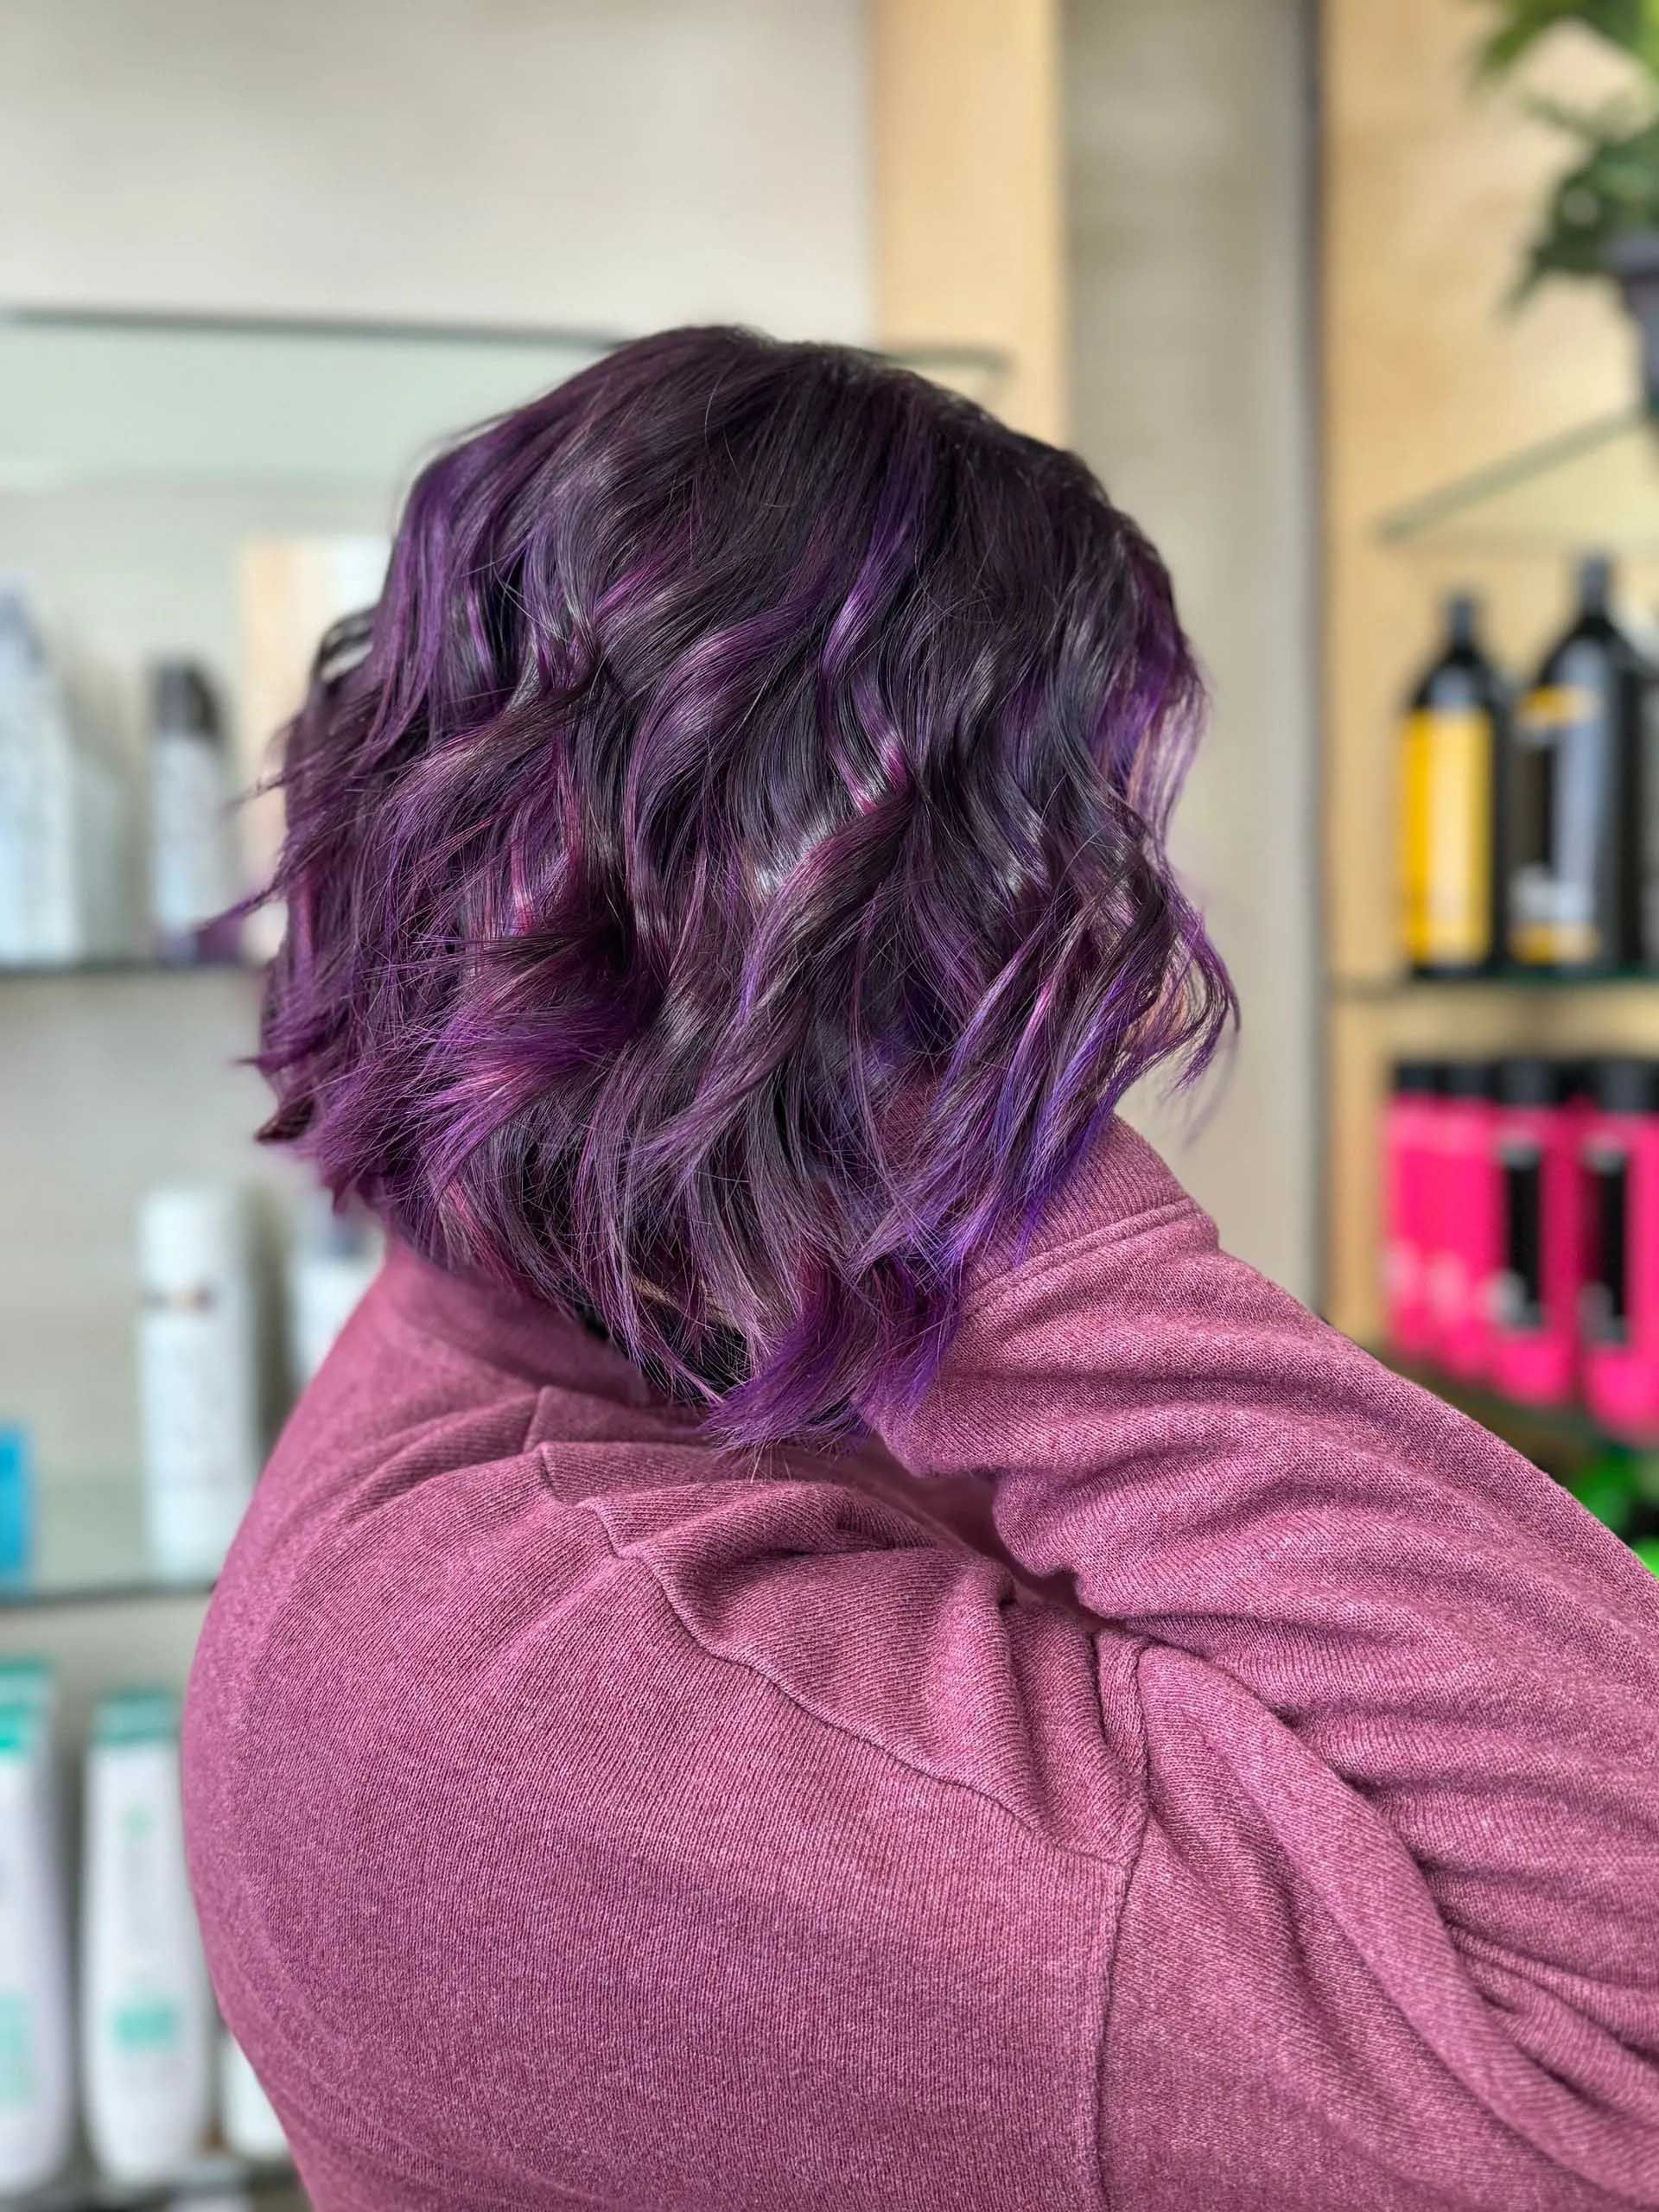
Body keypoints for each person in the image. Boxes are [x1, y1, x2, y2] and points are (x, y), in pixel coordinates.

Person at [182, 327, 1659, 2211]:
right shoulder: (575, 1688)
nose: (1106, 943)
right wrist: (935, 1138)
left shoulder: (601, 1365)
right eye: (1055, 849)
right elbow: (1621, 2047)